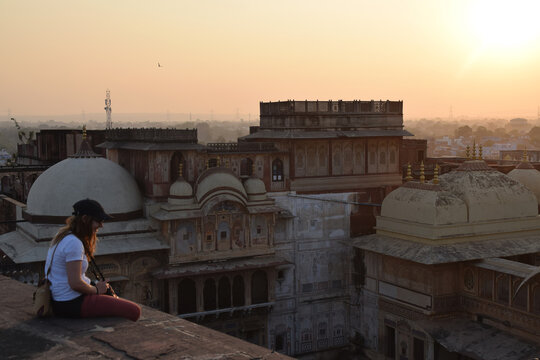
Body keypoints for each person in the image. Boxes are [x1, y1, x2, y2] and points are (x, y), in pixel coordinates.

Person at [44, 199, 141, 321]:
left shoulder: (65, 235)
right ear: (85, 219)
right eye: (98, 221)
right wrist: (96, 290)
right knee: (134, 311)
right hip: (70, 302)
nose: (101, 225)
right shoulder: (74, 243)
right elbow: (75, 283)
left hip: (60, 299)